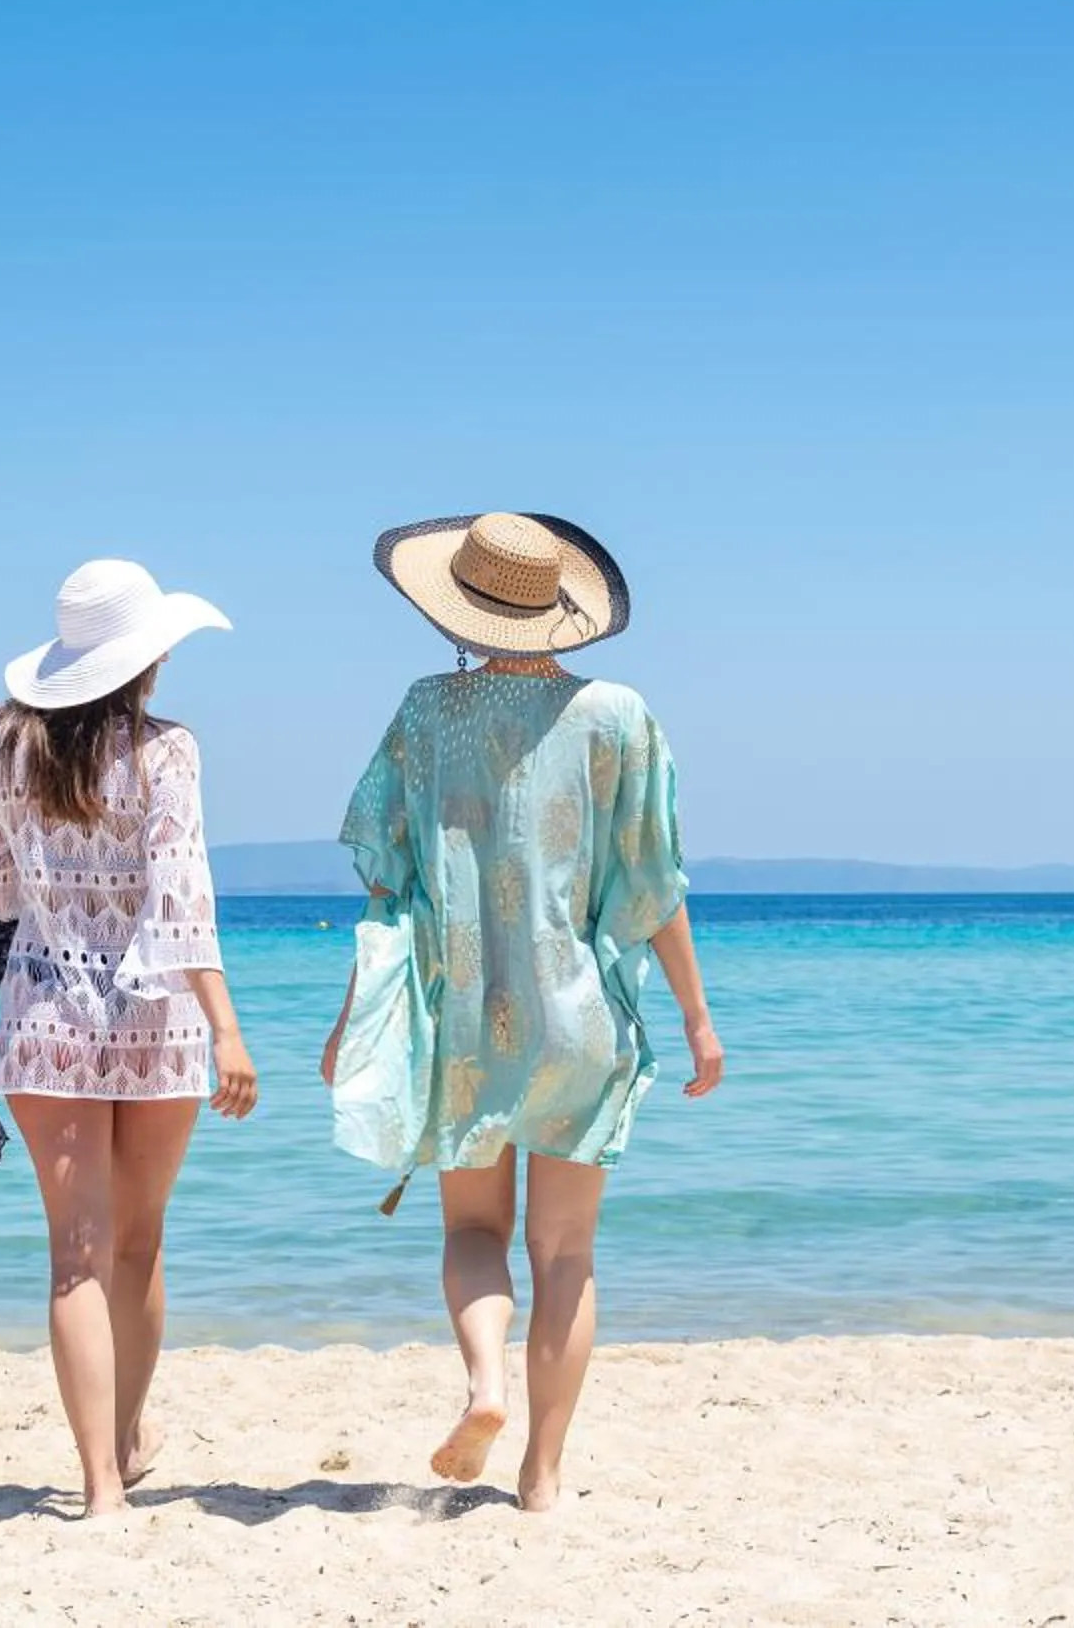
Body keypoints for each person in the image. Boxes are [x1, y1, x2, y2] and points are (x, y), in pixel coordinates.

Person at [321, 512, 723, 1512]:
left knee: (473, 1231)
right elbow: (652, 887)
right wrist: (698, 1019)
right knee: (568, 1252)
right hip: (582, 1019)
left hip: (464, 1016)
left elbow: (391, 881)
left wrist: (349, 1017)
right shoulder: (619, 714)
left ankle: (486, 1384)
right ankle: (542, 1476)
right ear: (559, 609)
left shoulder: (425, 711)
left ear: (459, 605)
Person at [0, 558, 258, 1516]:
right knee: (138, 1242)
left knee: (75, 1256)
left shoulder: (7, 754)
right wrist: (228, 1029)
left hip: (45, 1017)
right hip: (160, 1021)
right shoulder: (168, 752)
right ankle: (129, 1439)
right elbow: (182, 900)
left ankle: (100, 1487)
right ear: (146, 657)